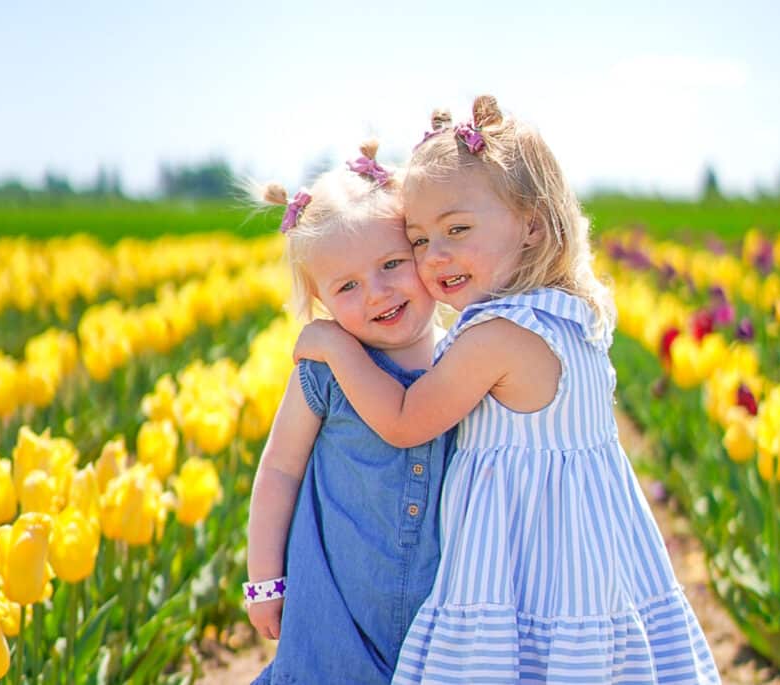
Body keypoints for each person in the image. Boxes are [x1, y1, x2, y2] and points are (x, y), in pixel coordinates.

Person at [293, 96, 721, 683]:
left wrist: (337, 346)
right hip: (592, 560)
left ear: (532, 224)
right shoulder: (566, 314)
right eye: (417, 240)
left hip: (528, 571)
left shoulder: (496, 337)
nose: (435, 255)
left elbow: (403, 419)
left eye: (457, 230)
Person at [246, 142, 453, 684]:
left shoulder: (467, 360)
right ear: (320, 302)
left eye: (391, 264)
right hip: (338, 607)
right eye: (348, 286)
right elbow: (280, 469)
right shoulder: (324, 375)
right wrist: (264, 579)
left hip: (445, 609)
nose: (378, 293)